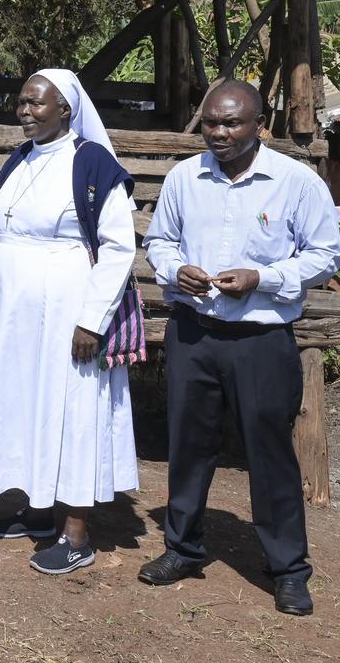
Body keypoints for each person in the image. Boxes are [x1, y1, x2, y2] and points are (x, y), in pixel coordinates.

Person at [140, 81, 340, 616]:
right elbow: (159, 240)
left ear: (260, 123)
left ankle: (289, 570)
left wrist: (264, 277)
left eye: (232, 123)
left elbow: (326, 254)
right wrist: (173, 268)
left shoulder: (296, 182)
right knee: (188, 445)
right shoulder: (186, 177)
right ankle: (182, 548)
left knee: (269, 453)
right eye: (211, 123)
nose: (220, 133)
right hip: (195, 332)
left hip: (261, 339)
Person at [0, 69, 139, 576]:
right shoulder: (19, 159)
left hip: (68, 305)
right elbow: (1, 232)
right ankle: (37, 510)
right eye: (21, 102)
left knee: (72, 407)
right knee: (25, 403)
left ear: (66, 108)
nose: (26, 110)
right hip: (12, 311)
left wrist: (91, 320)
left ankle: (76, 532)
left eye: (38, 103)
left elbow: (120, 248)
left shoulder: (93, 163)